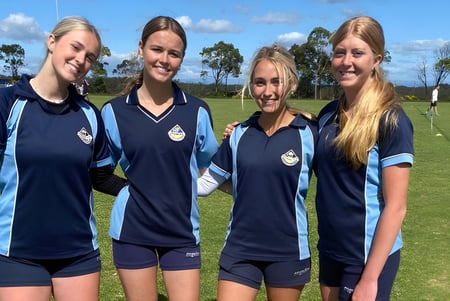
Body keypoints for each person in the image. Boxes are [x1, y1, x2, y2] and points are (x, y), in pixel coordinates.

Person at [0, 16, 125, 301]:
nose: (81, 60)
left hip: (79, 253)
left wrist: (139, 188)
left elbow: (100, 176)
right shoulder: (8, 104)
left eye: (90, 56)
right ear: (52, 41)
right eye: (76, 47)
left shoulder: (89, 114)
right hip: (18, 252)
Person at [100, 16, 218, 301]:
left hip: (182, 230)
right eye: (157, 49)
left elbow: (212, 168)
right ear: (141, 49)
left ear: (181, 58)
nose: (164, 59)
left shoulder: (197, 112)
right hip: (132, 229)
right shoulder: (114, 112)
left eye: (174, 53)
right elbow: (99, 172)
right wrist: (129, 189)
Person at [197, 45, 318, 301]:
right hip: (240, 249)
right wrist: (163, 172)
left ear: (293, 84)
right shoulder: (238, 133)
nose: (268, 91)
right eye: (260, 83)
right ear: (251, 86)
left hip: (288, 250)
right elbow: (206, 184)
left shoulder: (310, 133)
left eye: (277, 82)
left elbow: (336, 182)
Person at [315, 16, 414, 301]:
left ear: (376, 59)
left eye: (357, 53)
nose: (346, 61)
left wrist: (370, 278)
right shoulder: (327, 114)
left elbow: (396, 207)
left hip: (367, 256)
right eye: (339, 52)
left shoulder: (391, 119)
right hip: (331, 248)